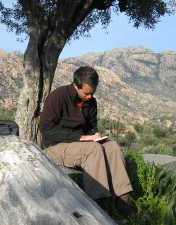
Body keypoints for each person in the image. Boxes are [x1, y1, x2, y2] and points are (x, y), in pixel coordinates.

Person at [39, 66, 135, 216]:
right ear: (75, 86)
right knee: (93, 149)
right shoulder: (58, 96)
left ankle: (123, 199)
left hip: (80, 145)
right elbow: (45, 127)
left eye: (93, 93)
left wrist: (95, 135)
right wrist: (80, 138)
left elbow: (91, 128)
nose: (90, 97)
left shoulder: (91, 102)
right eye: (86, 93)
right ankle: (97, 205)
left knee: (112, 146)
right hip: (55, 147)